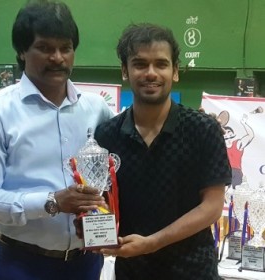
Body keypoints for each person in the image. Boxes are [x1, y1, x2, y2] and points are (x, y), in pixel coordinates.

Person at [0, 1, 114, 280]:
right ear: (22, 52)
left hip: (86, 263)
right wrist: (52, 202)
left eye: (65, 48)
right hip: (21, 265)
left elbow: (117, 176)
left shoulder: (97, 109)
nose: (57, 58)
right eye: (45, 48)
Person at [94, 23, 232, 279]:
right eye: (139, 64)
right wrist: (91, 225)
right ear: (125, 71)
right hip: (132, 270)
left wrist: (153, 242)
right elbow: (101, 203)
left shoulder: (203, 129)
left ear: (175, 71)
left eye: (161, 63)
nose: (151, 73)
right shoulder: (107, 135)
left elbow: (212, 207)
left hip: (193, 271)